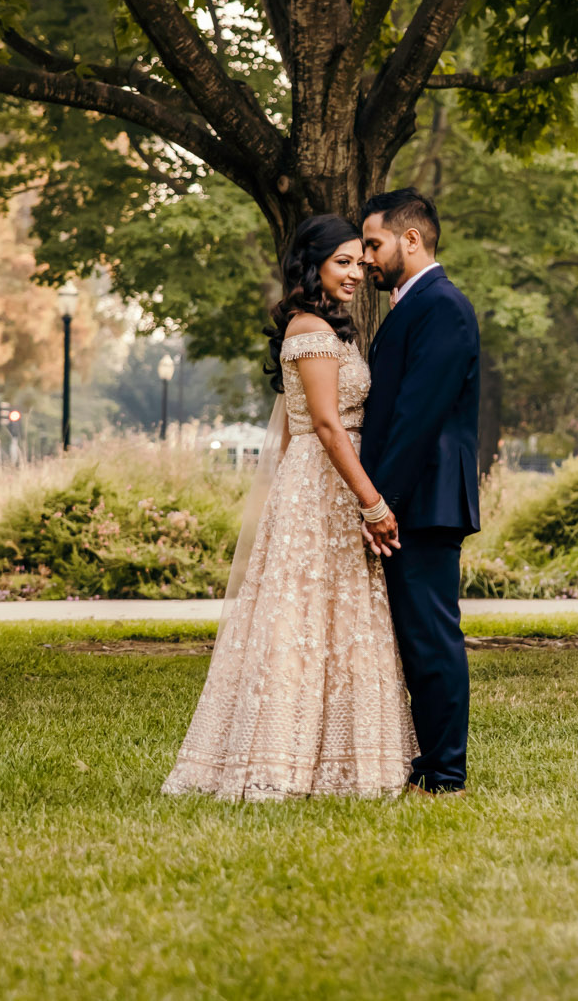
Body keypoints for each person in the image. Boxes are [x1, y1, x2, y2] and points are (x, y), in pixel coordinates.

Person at [161, 215, 416, 800]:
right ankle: (279, 756)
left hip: (329, 477)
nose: (355, 273)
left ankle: (343, 757)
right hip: (325, 480)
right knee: (302, 618)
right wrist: (373, 504)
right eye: (342, 262)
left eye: (359, 261)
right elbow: (326, 426)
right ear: (313, 266)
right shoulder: (310, 329)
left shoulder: (330, 329)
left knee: (336, 616)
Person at [359, 188, 482, 796]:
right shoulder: (412, 305)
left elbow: (417, 417)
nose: (366, 259)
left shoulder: (443, 307)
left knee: (432, 639)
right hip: (410, 500)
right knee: (414, 638)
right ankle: (426, 762)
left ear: (411, 239)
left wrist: (383, 505)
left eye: (374, 244)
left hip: (424, 503)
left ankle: (447, 773)